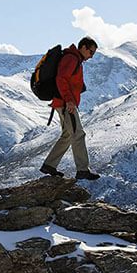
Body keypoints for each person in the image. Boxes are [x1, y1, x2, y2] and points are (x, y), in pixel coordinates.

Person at [40, 36, 101, 180]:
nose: (91, 56)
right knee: (78, 134)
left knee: (67, 135)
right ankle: (82, 170)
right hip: (66, 104)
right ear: (83, 47)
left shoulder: (74, 59)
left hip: (62, 103)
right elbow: (61, 78)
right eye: (91, 52)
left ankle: (49, 165)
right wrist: (68, 100)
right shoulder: (72, 59)